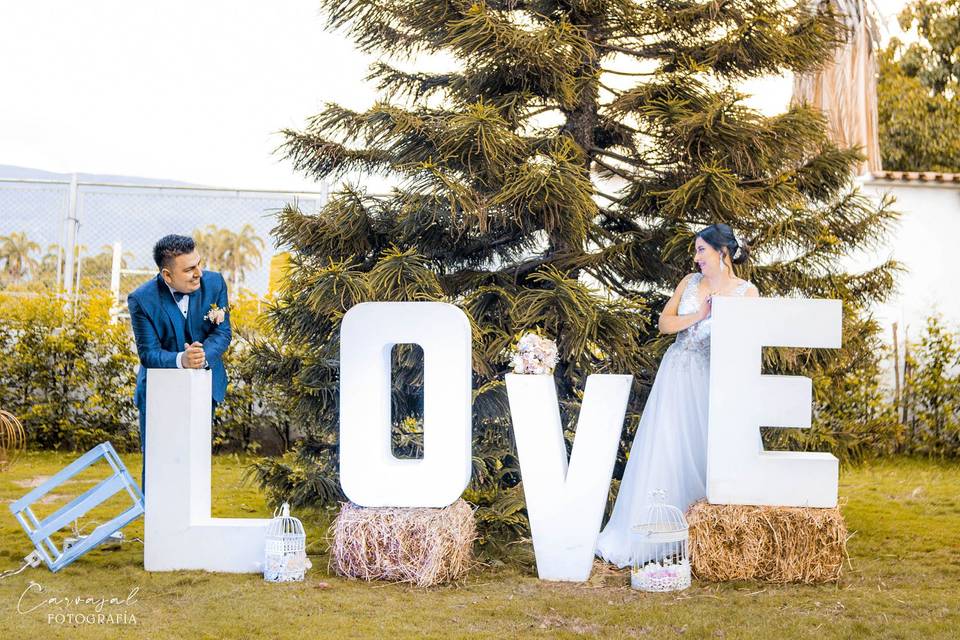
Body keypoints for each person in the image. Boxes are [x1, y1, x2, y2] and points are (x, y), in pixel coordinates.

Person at [595, 223, 759, 567]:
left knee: (705, 448)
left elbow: (746, 344)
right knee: (667, 447)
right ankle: (658, 532)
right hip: (676, 374)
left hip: (712, 379)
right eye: (696, 250)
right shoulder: (689, 283)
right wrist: (700, 315)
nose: (696, 257)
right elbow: (664, 324)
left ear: (722, 252)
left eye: (702, 250)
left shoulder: (746, 293)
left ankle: (706, 535)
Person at [127, 234, 232, 498]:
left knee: (195, 457)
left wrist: (200, 356)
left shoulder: (215, 282)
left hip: (203, 386)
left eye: (198, 264)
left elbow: (222, 333)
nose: (198, 273)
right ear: (167, 275)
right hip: (158, 394)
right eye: (188, 269)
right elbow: (148, 354)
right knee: (158, 462)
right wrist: (181, 360)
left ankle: (193, 526)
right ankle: (156, 529)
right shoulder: (141, 299)